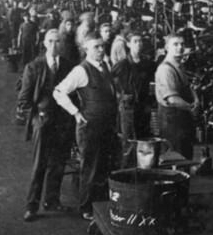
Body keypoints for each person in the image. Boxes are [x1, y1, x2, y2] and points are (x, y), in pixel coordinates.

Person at [54, 36, 120, 220]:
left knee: (104, 166)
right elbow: (58, 92)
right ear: (86, 49)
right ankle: (87, 208)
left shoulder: (105, 66)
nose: (101, 50)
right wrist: (75, 112)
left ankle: (101, 206)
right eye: (96, 47)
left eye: (102, 46)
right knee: (91, 168)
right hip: (90, 127)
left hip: (107, 125)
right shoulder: (81, 70)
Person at [18, 29, 76, 222]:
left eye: (58, 41)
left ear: (62, 44)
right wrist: (36, 119)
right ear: (44, 43)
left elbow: (74, 94)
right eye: (50, 41)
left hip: (63, 122)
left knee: (58, 163)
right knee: (39, 164)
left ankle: (52, 200)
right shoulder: (34, 67)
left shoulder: (68, 66)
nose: (54, 45)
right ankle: (31, 206)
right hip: (42, 121)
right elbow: (24, 100)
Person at [112, 32, 156, 167]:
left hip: (144, 107)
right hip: (128, 108)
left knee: (144, 139)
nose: (138, 44)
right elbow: (109, 82)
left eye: (140, 41)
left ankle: (143, 170)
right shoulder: (122, 64)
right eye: (135, 41)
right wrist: (120, 95)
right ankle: (128, 171)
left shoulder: (148, 64)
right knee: (129, 141)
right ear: (128, 44)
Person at [154, 34, 200, 160]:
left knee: (185, 157)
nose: (180, 47)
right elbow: (172, 100)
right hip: (172, 124)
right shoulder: (165, 69)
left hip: (182, 121)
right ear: (167, 47)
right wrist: (192, 108)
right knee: (175, 160)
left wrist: (196, 99)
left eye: (182, 44)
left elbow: (188, 87)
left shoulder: (179, 66)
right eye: (175, 44)